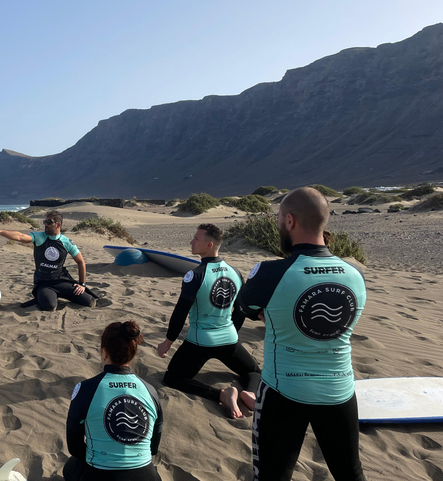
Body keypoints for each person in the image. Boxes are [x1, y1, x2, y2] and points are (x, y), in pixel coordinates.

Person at [236, 187, 367, 481]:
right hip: (339, 391)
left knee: (271, 476)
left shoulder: (270, 273)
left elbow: (245, 306)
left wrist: (268, 313)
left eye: (279, 219)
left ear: (290, 221)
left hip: (284, 392)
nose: (278, 225)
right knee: (350, 473)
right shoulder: (354, 274)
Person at [156, 224, 260, 419]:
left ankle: (220, 394)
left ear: (209, 244)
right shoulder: (235, 273)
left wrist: (167, 342)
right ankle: (251, 393)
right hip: (229, 341)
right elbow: (240, 311)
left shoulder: (195, 275)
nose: (191, 242)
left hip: (199, 342)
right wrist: (233, 333)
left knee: (173, 378)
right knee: (253, 372)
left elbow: (180, 312)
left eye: (196, 239)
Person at [64, 321, 163, 481]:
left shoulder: (85, 389)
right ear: (133, 353)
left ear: (104, 353)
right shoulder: (150, 390)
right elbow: (153, 448)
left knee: (71, 466)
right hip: (145, 475)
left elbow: (74, 448)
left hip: (101, 475)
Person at [0, 210, 96, 311]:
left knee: (89, 302)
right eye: (45, 221)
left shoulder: (66, 242)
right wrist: (0, 231)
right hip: (44, 283)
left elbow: (81, 262)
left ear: (58, 225)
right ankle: (44, 295)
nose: (45, 224)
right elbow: (20, 236)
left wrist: (82, 284)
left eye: (49, 222)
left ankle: (58, 294)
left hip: (62, 280)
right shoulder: (39, 237)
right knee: (49, 306)